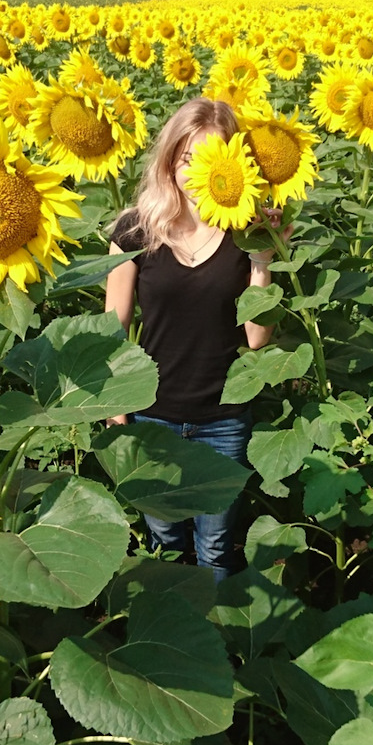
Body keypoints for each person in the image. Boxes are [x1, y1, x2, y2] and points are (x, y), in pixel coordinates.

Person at [104, 96, 278, 580]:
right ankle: (175, 641)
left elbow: (258, 339)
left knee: (216, 547)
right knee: (165, 541)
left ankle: (214, 644)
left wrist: (262, 261)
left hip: (222, 418)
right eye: (185, 159)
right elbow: (113, 328)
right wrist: (118, 414)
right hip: (151, 415)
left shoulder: (247, 232)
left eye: (208, 160)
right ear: (168, 160)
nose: (194, 173)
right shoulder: (135, 230)